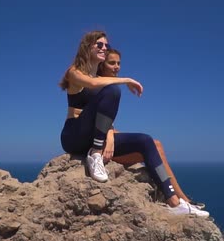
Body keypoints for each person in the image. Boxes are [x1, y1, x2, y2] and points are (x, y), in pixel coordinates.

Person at [59, 31, 208, 217]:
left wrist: (110, 133)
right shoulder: (74, 72)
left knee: (146, 141)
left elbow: (103, 116)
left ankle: (175, 202)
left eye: (106, 45)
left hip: (96, 137)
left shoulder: (101, 80)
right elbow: (91, 83)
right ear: (87, 46)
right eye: (99, 45)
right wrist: (127, 80)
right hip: (75, 136)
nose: (104, 48)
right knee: (113, 91)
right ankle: (95, 154)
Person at [97, 49, 205, 209]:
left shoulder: (109, 86)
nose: (116, 67)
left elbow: (105, 119)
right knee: (153, 146)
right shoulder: (99, 85)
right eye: (111, 63)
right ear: (102, 65)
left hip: (108, 137)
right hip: (101, 144)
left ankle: (180, 198)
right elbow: (96, 119)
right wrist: (111, 137)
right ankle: (180, 200)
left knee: (157, 145)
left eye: (119, 63)